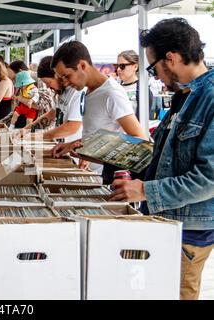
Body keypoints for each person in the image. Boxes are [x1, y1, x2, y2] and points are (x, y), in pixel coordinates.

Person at [109, 18, 214, 300]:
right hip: (168, 221)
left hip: (189, 230)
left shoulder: (210, 97)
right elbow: (166, 156)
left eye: (153, 67)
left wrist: (145, 190)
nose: (155, 76)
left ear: (172, 57)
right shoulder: (186, 95)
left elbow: (208, 179)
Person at [50, 41, 146, 183]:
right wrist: (73, 145)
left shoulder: (111, 93)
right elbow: (98, 133)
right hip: (93, 175)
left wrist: (93, 152)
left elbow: (139, 139)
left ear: (82, 66)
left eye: (67, 76)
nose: (65, 83)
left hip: (110, 180)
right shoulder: (88, 91)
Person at [13, 56, 83, 143]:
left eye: (48, 82)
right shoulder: (61, 92)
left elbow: (72, 127)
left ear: (57, 76)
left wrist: (36, 136)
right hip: (61, 148)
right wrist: (23, 131)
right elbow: (50, 116)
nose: (47, 87)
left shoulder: (76, 91)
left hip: (73, 151)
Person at [115, 50, 153, 119]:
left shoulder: (143, 91)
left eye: (122, 66)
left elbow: (142, 120)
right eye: (116, 66)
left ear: (135, 67)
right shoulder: (115, 88)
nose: (118, 69)